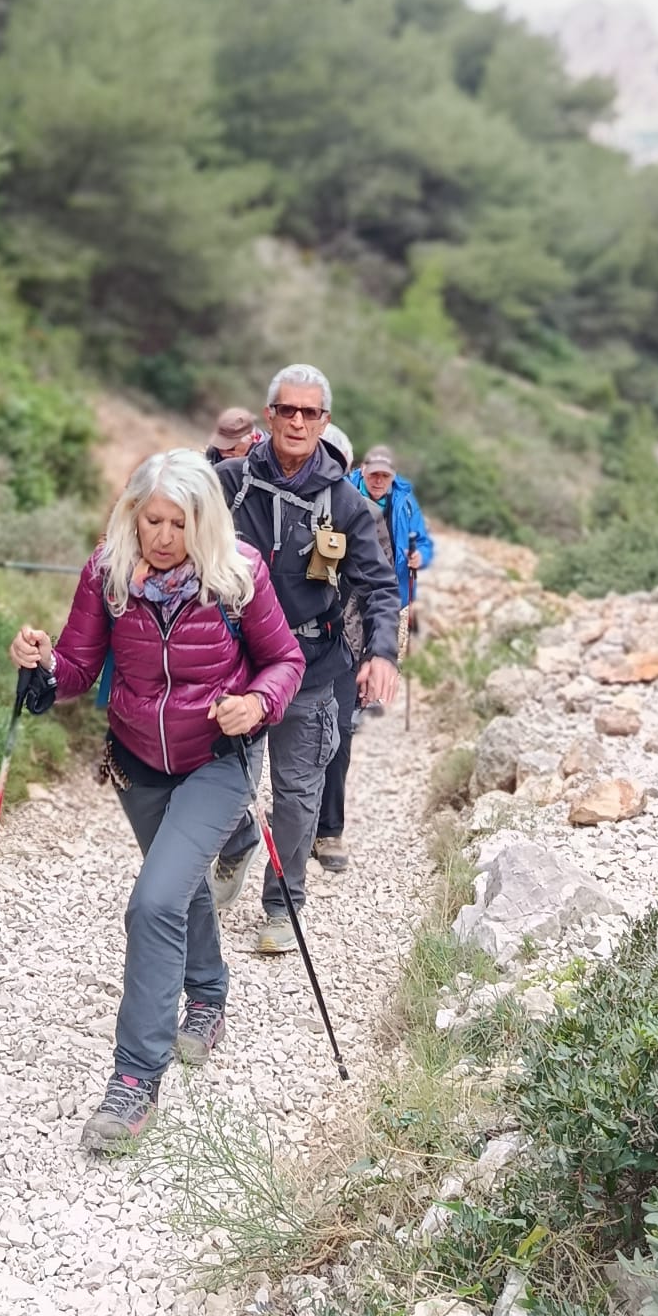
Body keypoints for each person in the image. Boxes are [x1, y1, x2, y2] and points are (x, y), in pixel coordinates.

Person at [9, 449, 304, 1153]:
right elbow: (79, 667)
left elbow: (284, 661)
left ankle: (134, 1082)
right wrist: (42, 665)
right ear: (133, 516)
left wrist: (256, 703)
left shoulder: (238, 574)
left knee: (152, 902)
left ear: (202, 521)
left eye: (179, 523)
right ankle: (208, 995)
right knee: (179, 888)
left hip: (219, 757)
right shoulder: (107, 574)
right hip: (139, 758)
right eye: (152, 521)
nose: (164, 536)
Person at [211, 366, 401, 952]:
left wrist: (382, 652)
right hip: (234, 663)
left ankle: (282, 904)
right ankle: (238, 838)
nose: (297, 421)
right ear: (269, 416)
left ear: (324, 421)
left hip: (312, 663)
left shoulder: (346, 503)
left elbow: (379, 587)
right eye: (287, 410)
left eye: (309, 412)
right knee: (222, 786)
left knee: (296, 795)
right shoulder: (226, 483)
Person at [311, 425, 395, 875]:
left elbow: (380, 586)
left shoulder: (363, 514)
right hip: (283, 641)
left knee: (339, 734)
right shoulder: (273, 505)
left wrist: (376, 654)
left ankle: (328, 829)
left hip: (345, 641)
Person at [353, 443, 435, 618]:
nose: (379, 481)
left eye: (385, 475)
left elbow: (423, 543)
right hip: (349, 591)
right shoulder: (345, 494)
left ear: (394, 475)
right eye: (374, 474)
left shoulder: (406, 501)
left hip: (389, 593)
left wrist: (419, 556)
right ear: (363, 469)